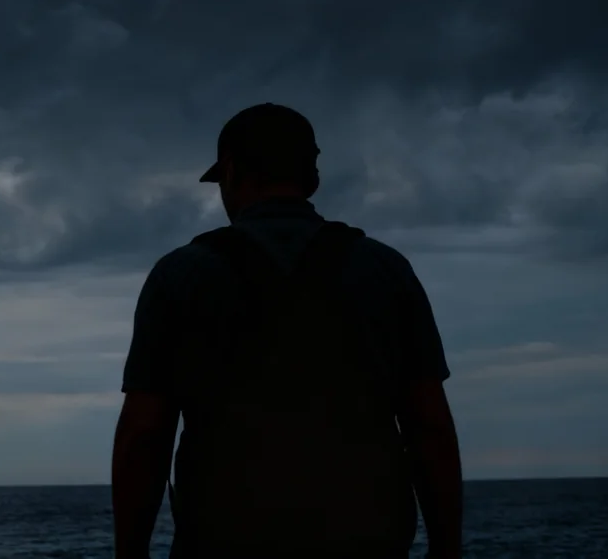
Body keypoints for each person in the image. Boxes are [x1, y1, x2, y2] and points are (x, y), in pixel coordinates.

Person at [112, 103, 462, 559]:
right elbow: (429, 425)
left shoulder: (180, 276)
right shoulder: (386, 270)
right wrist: (447, 548)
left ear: (232, 171)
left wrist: (130, 554)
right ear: (312, 177)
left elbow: (144, 433)